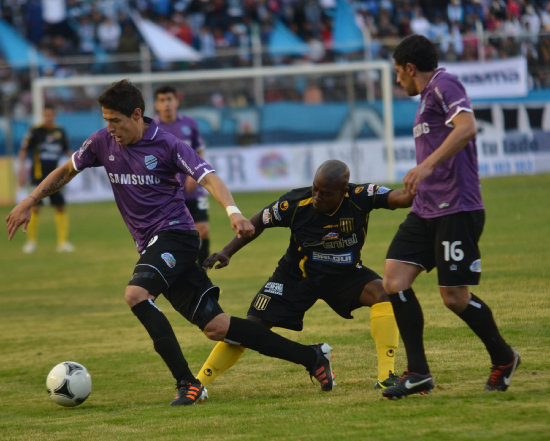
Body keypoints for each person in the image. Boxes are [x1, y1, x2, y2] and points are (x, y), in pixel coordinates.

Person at [6, 80, 335, 406]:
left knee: (136, 294)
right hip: (153, 244)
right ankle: (311, 356)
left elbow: (209, 177)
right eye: (106, 121)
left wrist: (233, 212)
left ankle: (187, 384)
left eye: (116, 121)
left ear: (136, 114)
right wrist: (29, 200)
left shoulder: (168, 144)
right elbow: (66, 170)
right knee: (217, 327)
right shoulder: (101, 142)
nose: (111, 129)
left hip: (176, 236)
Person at [381, 34, 520, 400]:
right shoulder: (427, 97)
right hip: (426, 208)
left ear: (411, 68)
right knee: (394, 280)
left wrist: (425, 165)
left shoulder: (444, 83)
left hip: (457, 207)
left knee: (454, 297)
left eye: (398, 73)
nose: (397, 81)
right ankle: (419, 373)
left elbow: (467, 128)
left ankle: (504, 358)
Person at [198, 159, 414, 390]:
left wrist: (421, 186)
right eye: (315, 189)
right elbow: (257, 222)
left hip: (345, 275)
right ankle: (198, 383)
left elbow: (399, 199)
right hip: (296, 275)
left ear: (344, 191)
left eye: (326, 193)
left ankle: (386, 376)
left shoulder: (361, 196)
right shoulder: (295, 202)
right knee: (251, 327)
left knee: (383, 292)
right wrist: (227, 252)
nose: (318, 197)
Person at [154, 85, 211, 265]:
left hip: (193, 189)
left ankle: (202, 270)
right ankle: (181, 271)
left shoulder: (190, 123)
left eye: (169, 99)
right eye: (162, 100)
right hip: (168, 192)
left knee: (203, 230)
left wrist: (196, 175)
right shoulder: (152, 128)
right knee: (173, 235)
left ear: (176, 101)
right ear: (157, 104)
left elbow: (199, 150)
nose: (167, 104)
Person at [17, 105, 75, 254]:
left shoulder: (60, 132)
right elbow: (23, 150)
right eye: (46, 115)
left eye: (51, 115)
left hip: (55, 177)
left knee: (60, 206)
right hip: (38, 176)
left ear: (54, 115)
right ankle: (31, 242)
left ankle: (62, 243)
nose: (48, 117)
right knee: (35, 207)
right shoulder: (35, 131)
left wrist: (78, 159)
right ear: (43, 116)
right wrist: (21, 170)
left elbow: (66, 150)